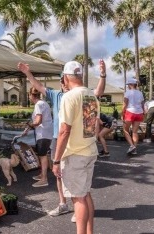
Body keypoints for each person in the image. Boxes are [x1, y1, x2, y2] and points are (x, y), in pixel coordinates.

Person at [18, 60, 106, 218]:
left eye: (64, 79)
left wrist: (102, 75)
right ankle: (63, 204)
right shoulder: (57, 95)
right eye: (61, 81)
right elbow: (38, 86)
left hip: (74, 146)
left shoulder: (78, 95)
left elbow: (98, 92)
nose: (63, 83)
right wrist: (27, 73)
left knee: (77, 186)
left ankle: (77, 209)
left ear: (67, 78)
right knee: (60, 175)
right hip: (59, 140)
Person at [52, 61, 100, 234]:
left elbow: (65, 130)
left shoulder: (69, 97)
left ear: (66, 77)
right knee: (85, 194)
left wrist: (56, 160)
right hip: (89, 150)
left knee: (78, 198)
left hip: (75, 154)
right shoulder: (91, 95)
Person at [26, 87, 53, 187]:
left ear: (31, 95)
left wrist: (29, 125)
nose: (29, 98)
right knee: (42, 155)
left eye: (29, 95)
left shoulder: (38, 104)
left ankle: (44, 179)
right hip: (45, 133)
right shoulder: (43, 103)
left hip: (43, 134)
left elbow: (38, 121)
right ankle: (42, 174)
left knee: (43, 156)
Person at [121, 78, 144, 155]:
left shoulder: (127, 93)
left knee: (125, 130)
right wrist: (143, 112)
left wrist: (121, 114)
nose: (128, 86)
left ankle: (131, 145)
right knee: (135, 132)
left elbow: (125, 104)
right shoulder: (140, 93)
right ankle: (134, 148)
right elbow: (142, 104)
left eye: (128, 85)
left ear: (130, 85)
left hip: (130, 112)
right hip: (139, 112)